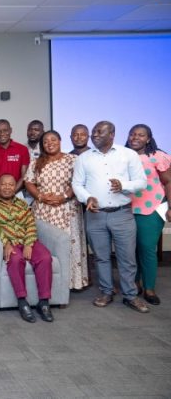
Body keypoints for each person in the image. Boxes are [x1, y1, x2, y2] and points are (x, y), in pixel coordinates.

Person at [72, 121, 148, 313]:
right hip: (95, 215)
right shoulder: (84, 158)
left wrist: (124, 185)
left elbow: (141, 182)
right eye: (94, 132)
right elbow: (77, 184)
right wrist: (87, 197)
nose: (94, 135)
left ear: (112, 134)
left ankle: (130, 295)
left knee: (127, 258)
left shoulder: (128, 155)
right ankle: (106, 292)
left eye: (100, 131)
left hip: (122, 214)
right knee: (101, 257)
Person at [0, 174, 54, 323]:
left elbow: (31, 224)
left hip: (26, 239)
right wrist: (6, 244)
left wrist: (28, 243)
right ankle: (22, 301)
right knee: (15, 259)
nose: (7, 188)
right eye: (4, 184)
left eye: (11, 185)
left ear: (15, 187)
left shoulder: (22, 204)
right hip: (10, 242)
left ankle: (44, 302)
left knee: (45, 257)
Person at [24, 131, 88, 290]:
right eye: (45, 141)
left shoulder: (73, 160)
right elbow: (28, 182)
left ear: (60, 141)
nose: (49, 143)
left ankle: (71, 283)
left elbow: (79, 182)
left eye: (53, 140)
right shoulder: (36, 162)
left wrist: (64, 196)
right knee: (46, 245)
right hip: (43, 210)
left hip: (67, 209)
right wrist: (40, 196)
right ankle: (47, 283)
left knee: (68, 244)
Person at [125, 124, 171, 305]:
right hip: (127, 208)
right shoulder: (123, 156)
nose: (135, 137)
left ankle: (149, 288)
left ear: (148, 139)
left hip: (152, 208)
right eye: (132, 134)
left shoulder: (157, 156)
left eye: (141, 135)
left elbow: (168, 182)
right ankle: (135, 284)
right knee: (131, 249)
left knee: (147, 248)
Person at [0, 119, 30, 199]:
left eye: (5, 130)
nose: (2, 134)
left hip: (16, 193)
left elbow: (24, 176)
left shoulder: (22, 149)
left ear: (10, 130)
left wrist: (11, 194)